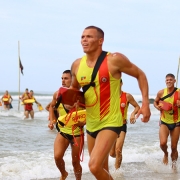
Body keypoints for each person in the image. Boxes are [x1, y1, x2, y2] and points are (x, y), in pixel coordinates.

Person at [69, 26, 151, 179]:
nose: (84, 40)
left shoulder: (114, 59)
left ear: (100, 41)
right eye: (82, 37)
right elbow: (74, 91)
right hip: (91, 123)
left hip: (111, 122)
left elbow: (140, 75)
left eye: (88, 36)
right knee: (102, 169)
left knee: (93, 166)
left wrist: (145, 104)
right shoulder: (77, 65)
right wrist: (70, 103)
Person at [48, 70, 85, 180]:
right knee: (57, 157)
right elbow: (51, 106)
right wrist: (52, 120)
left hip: (77, 134)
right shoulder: (57, 94)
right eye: (62, 78)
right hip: (63, 131)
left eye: (66, 78)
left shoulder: (82, 97)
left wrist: (83, 123)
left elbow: (90, 116)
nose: (63, 81)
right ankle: (64, 173)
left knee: (75, 162)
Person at [109, 79, 140, 169]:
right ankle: (116, 159)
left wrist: (133, 114)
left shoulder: (127, 96)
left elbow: (137, 106)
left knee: (118, 150)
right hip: (109, 126)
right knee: (112, 153)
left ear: (121, 83)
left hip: (121, 125)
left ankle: (117, 172)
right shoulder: (107, 96)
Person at [154, 73, 180, 170]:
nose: (168, 81)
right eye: (167, 80)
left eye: (170, 80)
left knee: (174, 147)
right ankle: (165, 153)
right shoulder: (161, 92)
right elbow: (155, 102)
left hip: (177, 122)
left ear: (174, 81)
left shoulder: (179, 92)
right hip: (164, 121)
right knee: (163, 143)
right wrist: (158, 107)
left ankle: (174, 167)